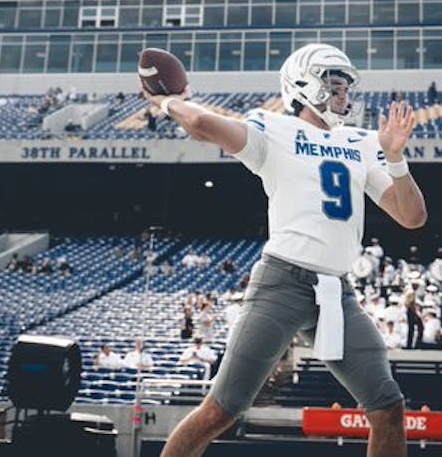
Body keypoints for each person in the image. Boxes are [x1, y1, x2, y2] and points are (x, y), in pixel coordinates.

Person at [145, 43, 426, 457]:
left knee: (388, 407)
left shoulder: (361, 143)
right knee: (220, 412)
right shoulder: (273, 130)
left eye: (346, 87)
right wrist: (169, 101)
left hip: (337, 293)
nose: (344, 96)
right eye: (334, 85)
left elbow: (412, 217)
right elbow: (204, 125)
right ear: (304, 85)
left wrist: (397, 160)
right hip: (283, 283)